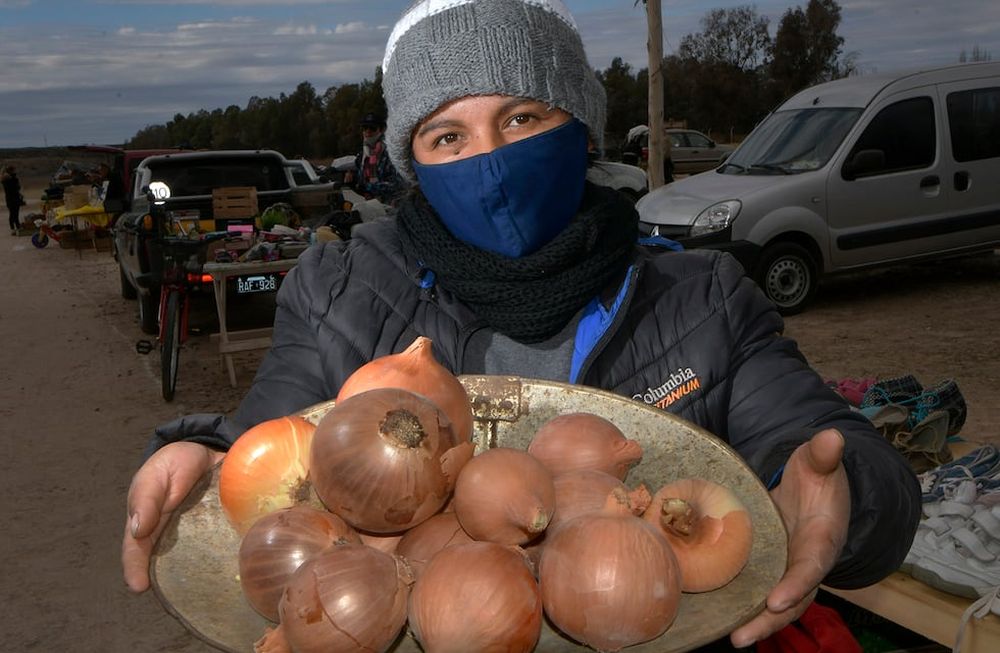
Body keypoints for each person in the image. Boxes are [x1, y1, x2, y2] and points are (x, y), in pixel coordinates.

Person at [122, 1, 921, 649]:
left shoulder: (701, 296)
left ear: (581, 125)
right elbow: (280, 443)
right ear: (412, 160)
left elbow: (818, 442)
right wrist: (210, 457)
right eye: (447, 135)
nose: (491, 160)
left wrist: (843, 484)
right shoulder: (342, 290)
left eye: (521, 118)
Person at [345, 111, 403, 205]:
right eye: (365, 127)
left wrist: (369, 187)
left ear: (381, 130)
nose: (368, 131)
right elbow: (361, 182)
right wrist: (352, 182)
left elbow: (398, 185)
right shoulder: (362, 157)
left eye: (372, 128)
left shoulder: (391, 154)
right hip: (370, 206)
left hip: (390, 207)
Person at [2, 164, 23, 235]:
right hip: (13, 199)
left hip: (11, 198)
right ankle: (15, 228)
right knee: (14, 214)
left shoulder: (7, 179)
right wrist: (14, 178)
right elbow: (15, 188)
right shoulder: (9, 180)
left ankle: (15, 227)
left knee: (13, 214)